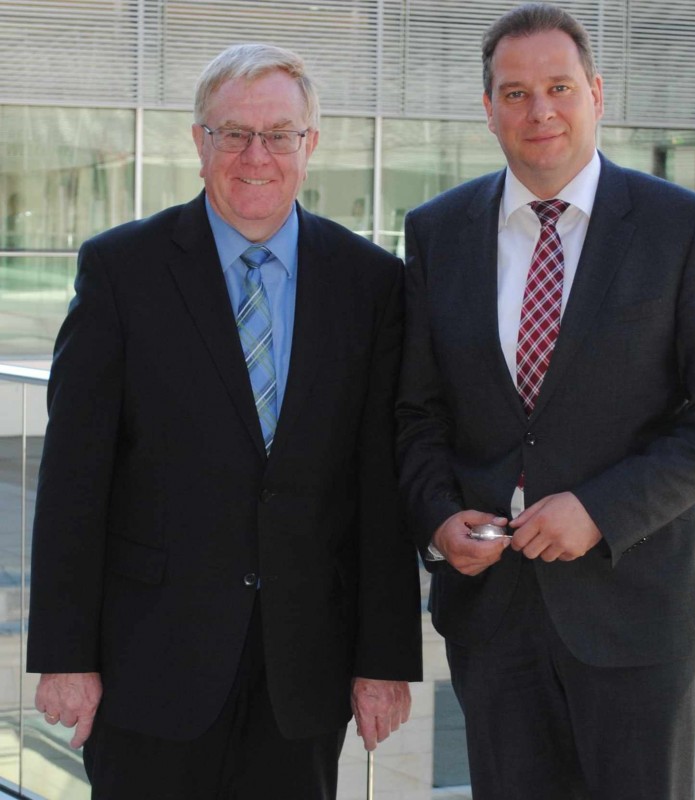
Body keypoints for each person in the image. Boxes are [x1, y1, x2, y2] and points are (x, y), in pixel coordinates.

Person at [27, 43, 421, 800]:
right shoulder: (122, 270)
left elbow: (379, 485)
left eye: (278, 134)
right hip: (150, 663)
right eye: (232, 133)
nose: (255, 156)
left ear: (311, 144)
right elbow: (75, 478)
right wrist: (65, 655)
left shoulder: (370, 283)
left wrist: (384, 660)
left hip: (304, 671)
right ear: (197, 140)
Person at [396, 4, 695, 799]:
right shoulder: (436, 231)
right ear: (487, 106)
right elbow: (416, 414)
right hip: (493, 614)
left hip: (635, 611)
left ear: (595, 92)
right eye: (516, 91)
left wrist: (598, 509)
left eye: (559, 86)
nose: (540, 110)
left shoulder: (680, 226)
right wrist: (435, 516)